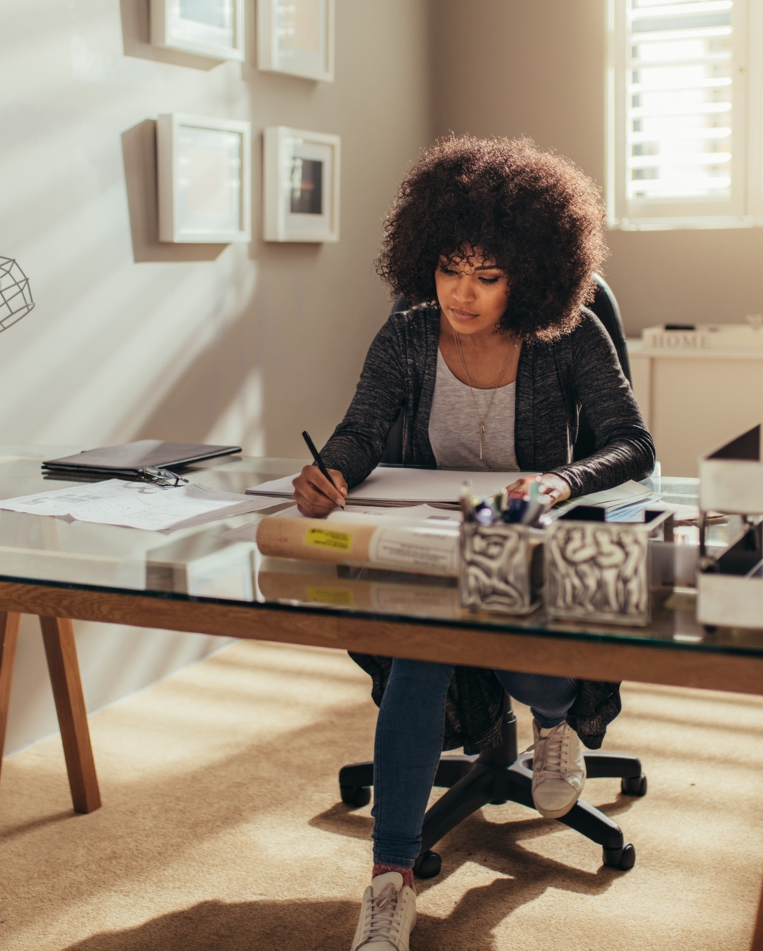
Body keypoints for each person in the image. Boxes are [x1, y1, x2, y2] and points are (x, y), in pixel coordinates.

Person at [293, 135, 654, 951]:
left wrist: (561, 481)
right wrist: (330, 475)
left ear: (529, 274)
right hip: (439, 544)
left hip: (529, 545)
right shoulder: (410, 337)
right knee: (424, 643)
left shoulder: (569, 337)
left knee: (504, 629)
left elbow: (633, 444)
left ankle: (552, 722)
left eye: (487, 277)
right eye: (450, 268)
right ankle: (389, 883)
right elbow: (359, 432)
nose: (462, 292)